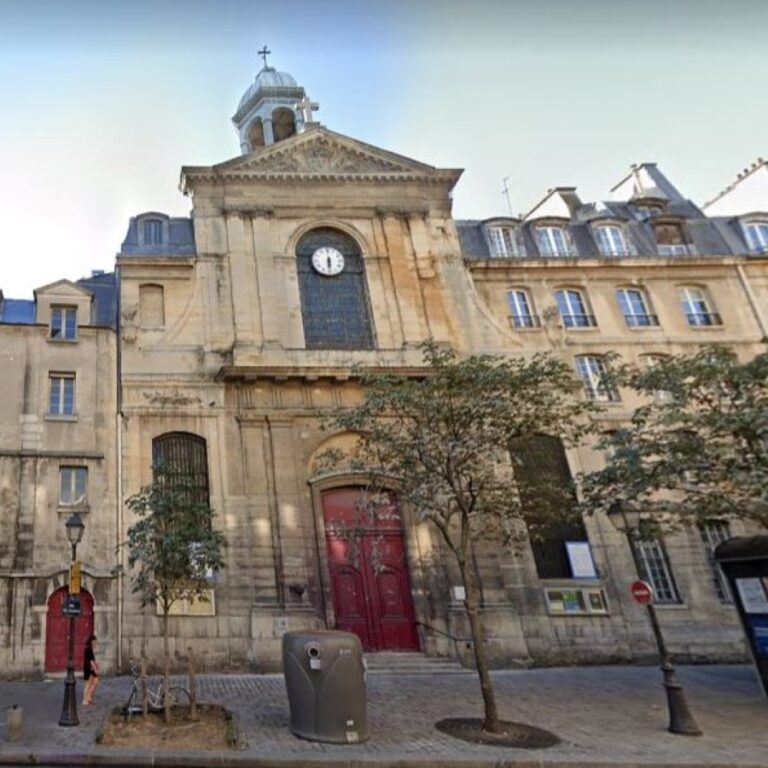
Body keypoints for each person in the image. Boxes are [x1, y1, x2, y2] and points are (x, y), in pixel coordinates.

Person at [82, 635, 100, 705]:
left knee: (96, 681)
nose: (96, 643)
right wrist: (95, 669)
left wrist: (96, 665)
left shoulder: (90, 649)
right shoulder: (88, 649)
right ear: (91, 641)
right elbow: (90, 661)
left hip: (91, 668)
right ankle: (84, 699)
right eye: (94, 642)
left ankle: (89, 696)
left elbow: (92, 660)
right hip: (89, 668)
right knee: (88, 683)